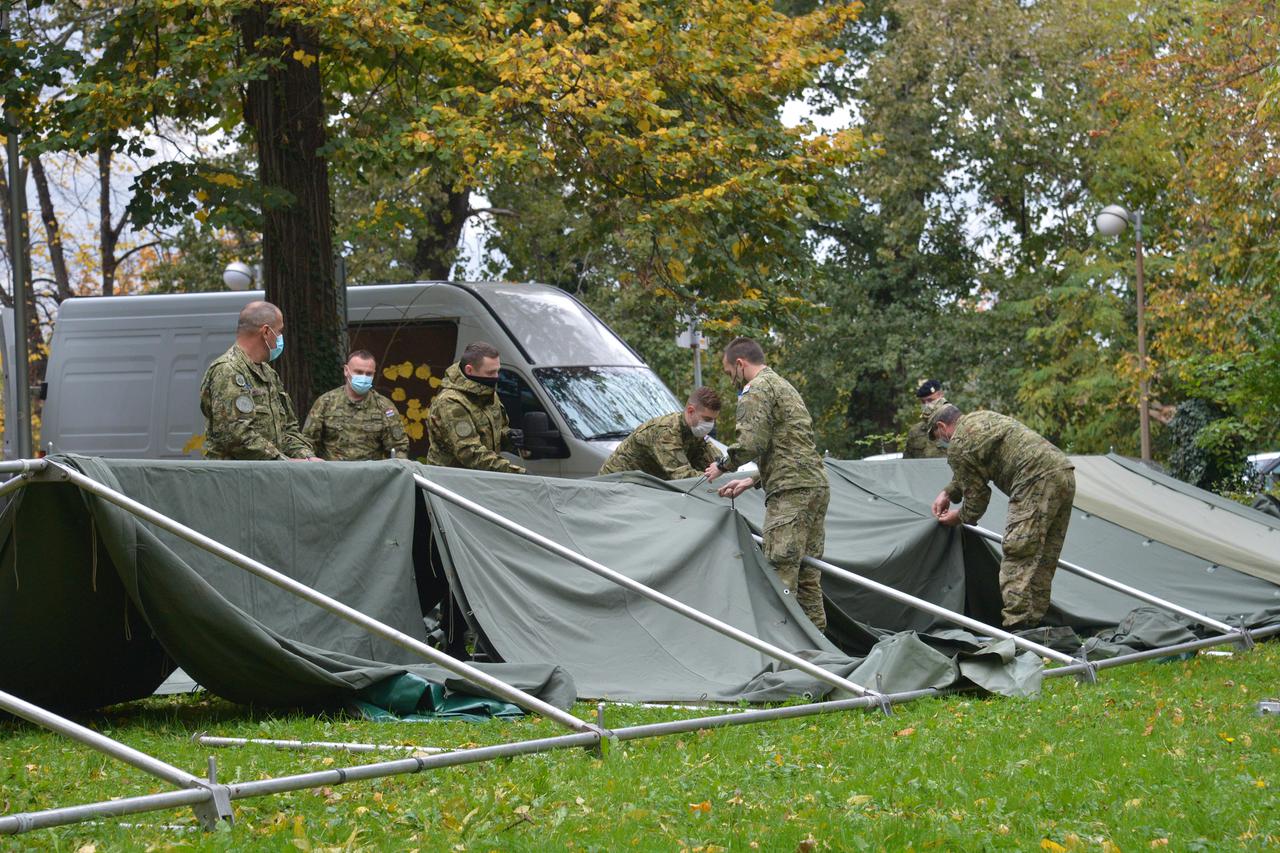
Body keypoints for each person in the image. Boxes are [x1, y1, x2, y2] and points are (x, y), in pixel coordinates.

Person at [704, 337, 830, 630]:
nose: (730, 379)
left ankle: (782, 655)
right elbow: (794, 447)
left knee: (780, 574)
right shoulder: (784, 386)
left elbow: (750, 443)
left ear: (739, 364)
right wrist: (751, 479)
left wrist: (722, 466)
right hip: (815, 486)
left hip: (791, 494)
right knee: (808, 575)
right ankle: (820, 652)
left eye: (727, 373)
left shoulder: (755, 390)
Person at [927, 404, 1076, 630]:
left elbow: (977, 501)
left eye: (937, 437)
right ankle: (1035, 625)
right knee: (1044, 556)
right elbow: (973, 468)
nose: (940, 443)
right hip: (1063, 472)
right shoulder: (981, 418)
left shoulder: (958, 444)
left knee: (1018, 552)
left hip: (1033, 481)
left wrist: (957, 517)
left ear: (941, 426)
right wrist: (948, 492)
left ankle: (1018, 627)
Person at [200, 300, 316, 461]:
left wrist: (307, 458)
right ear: (266, 332)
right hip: (234, 480)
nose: (281, 337)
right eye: (279, 331)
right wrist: (285, 462)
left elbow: (288, 429)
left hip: (267, 477)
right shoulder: (228, 370)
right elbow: (236, 436)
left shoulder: (268, 373)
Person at [425, 341, 526, 474]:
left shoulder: (487, 393)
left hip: (479, 478)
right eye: (490, 373)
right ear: (469, 370)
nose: (496, 377)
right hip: (451, 482)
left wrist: (508, 436)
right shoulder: (450, 402)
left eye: (497, 371)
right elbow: (469, 452)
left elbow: (494, 430)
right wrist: (515, 472)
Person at [303, 350, 410, 461]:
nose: (364, 377)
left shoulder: (384, 407)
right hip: (332, 474)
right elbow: (307, 441)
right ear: (346, 371)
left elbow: (398, 448)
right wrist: (311, 460)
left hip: (370, 474)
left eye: (368, 374)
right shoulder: (326, 402)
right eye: (358, 372)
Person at [598, 387, 722, 479]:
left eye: (714, 420)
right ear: (690, 411)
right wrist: (718, 477)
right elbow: (683, 477)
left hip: (639, 487)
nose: (711, 424)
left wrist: (723, 468)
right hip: (614, 486)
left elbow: (716, 461)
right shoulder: (666, 432)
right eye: (707, 419)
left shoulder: (695, 432)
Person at [903, 378, 948, 459]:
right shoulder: (915, 431)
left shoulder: (956, 425)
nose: (927, 405)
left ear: (941, 395)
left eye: (930, 400)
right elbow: (907, 464)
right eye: (923, 402)